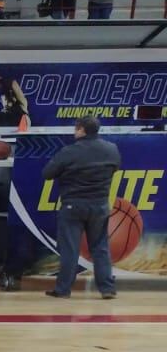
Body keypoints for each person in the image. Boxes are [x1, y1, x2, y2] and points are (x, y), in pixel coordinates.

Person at [44, 116, 122, 300]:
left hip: (73, 205)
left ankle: (63, 290)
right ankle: (107, 289)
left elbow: (47, 174)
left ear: (81, 130)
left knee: (70, 249)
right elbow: (115, 168)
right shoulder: (111, 149)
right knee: (100, 247)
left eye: (75, 128)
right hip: (100, 205)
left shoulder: (69, 151)